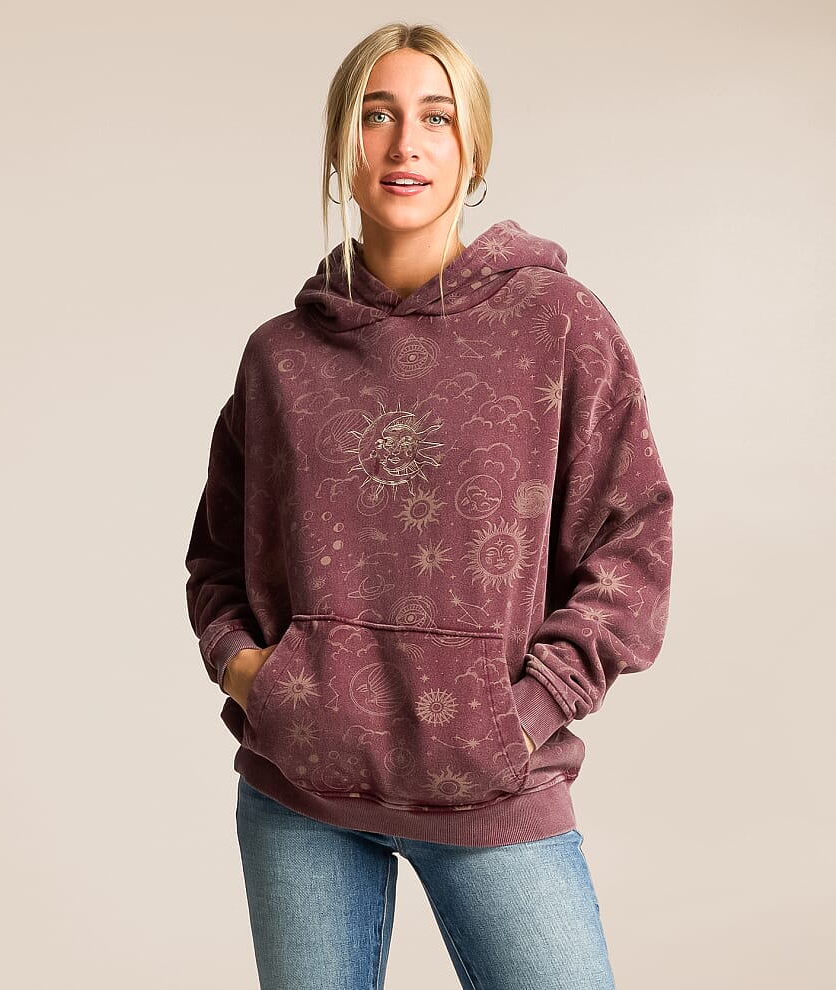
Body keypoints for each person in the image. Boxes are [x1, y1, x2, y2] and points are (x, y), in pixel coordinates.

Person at [184, 20, 674, 990]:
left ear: (473, 151)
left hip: (490, 788)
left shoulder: (558, 324)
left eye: (436, 118)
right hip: (298, 798)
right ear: (341, 146)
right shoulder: (280, 356)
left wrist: (524, 714)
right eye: (377, 116)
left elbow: (633, 542)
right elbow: (215, 561)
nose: (404, 143)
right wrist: (254, 677)